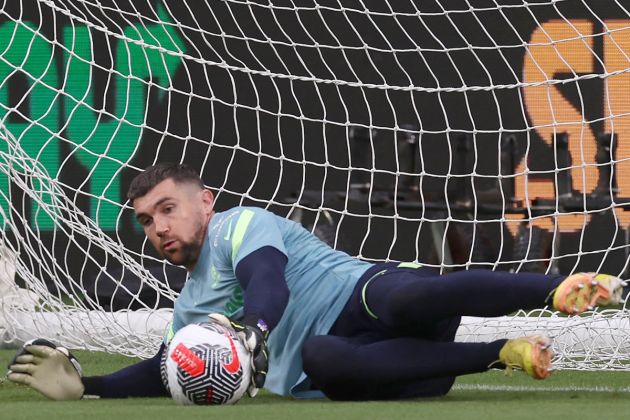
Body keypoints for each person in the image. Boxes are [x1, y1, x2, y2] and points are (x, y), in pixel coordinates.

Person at [7, 162, 626, 401]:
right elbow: (167, 365)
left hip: (374, 300)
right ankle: (500, 354)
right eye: (146, 221)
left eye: (168, 209)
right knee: (321, 359)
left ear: (206, 203)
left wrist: (252, 332)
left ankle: (557, 289)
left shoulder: (240, 227)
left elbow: (267, 283)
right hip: (389, 370)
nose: (158, 227)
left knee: (404, 291)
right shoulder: (190, 308)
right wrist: (88, 386)